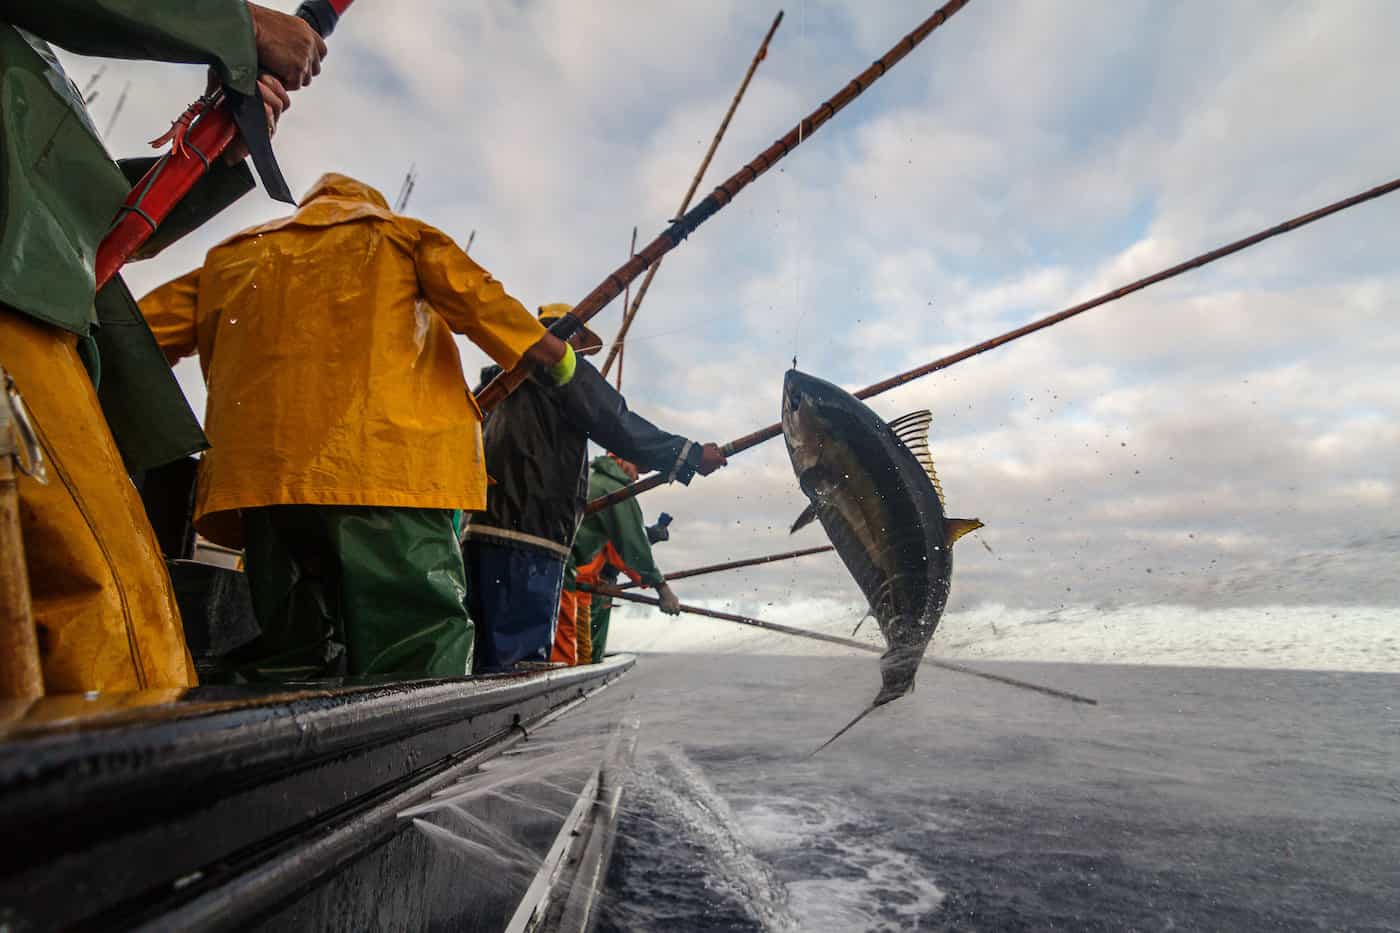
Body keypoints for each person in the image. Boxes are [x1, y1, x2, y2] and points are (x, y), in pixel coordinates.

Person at [0, 2, 325, 695]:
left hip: (42, 312)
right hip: (18, 318)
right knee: (112, 610)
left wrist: (214, 157)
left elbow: (88, 222)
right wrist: (238, 27)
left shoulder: (28, 70)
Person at [139, 174, 572, 681]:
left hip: (260, 481)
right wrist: (556, 357)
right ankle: (414, 734)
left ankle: (277, 718)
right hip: (385, 470)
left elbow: (136, 336)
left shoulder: (228, 258)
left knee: (292, 638)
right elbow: (481, 300)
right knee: (414, 640)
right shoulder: (400, 235)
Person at [461, 304, 725, 671]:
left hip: (475, 535)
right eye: (580, 345)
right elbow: (618, 424)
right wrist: (691, 455)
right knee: (516, 664)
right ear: (569, 338)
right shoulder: (559, 372)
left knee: (480, 653)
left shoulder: (494, 386)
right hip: (531, 542)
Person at [565, 455, 684, 666]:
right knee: (569, 656)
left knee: (575, 652)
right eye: (637, 468)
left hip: (571, 579)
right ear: (620, 458)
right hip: (576, 584)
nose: (638, 477)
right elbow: (631, 547)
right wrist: (662, 588)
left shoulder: (589, 478)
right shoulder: (613, 489)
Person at [588, 512, 672, 664]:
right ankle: (589, 660)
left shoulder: (618, 532)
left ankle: (588, 658)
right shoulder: (621, 538)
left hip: (597, 581)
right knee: (589, 636)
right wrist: (659, 587)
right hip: (596, 585)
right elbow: (635, 565)